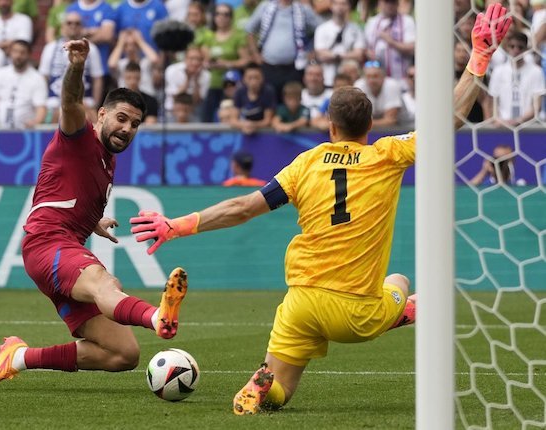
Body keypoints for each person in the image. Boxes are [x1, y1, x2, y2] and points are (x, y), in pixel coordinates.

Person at [128, 3, 511, 415]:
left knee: (280, 393)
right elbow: (447, 119)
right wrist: (478, 58)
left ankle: (263, 386)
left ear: (330, 126)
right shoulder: (389, 153)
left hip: (303, 302)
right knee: (400, 279)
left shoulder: (305, 164)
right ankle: (409, 307)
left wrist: (177, 225)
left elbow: (242, 207)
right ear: (369, 128)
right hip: (356, 313)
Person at [0, 38, 188, 391]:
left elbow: (68, 192)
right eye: (121, 118)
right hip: (48, 245)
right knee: (106, 283)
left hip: (62, 248)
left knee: (122, 354)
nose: (126, 129)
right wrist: (76, 65)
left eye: (134, 124)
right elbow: (71, 100)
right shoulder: (79, 135)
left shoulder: (107, 162)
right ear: (101, 114)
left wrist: (93, 221)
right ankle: (157, 316)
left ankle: (19, 357)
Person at [0, 40, 47, 129]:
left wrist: (36, 122)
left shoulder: (37, 78)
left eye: (22, 53)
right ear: (10, 53)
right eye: (15, 52)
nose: (18, 56)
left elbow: (40, 107)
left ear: (29, 55)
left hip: (26, 132)